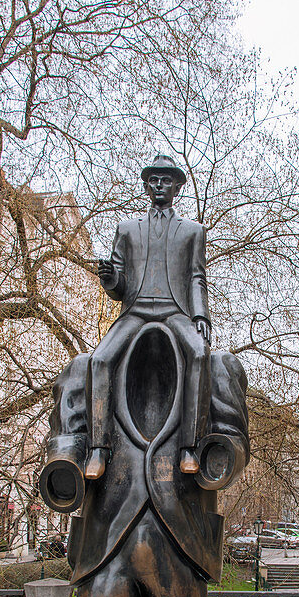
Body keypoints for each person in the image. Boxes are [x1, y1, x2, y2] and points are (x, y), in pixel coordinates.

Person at [84, 154, 211, 480]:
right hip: (136, 311)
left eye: (166, 180)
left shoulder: (192, 231)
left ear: (177, 186)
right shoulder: (126, 230)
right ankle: (99, 448)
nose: (159, 185)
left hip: (175, 311)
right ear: (145, 185)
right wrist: (109, 278)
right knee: (99, 360)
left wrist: (201, 318)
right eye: (154, 180)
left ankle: (189, 449)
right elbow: (118, 287)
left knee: (198, 353)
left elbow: (197, 277)